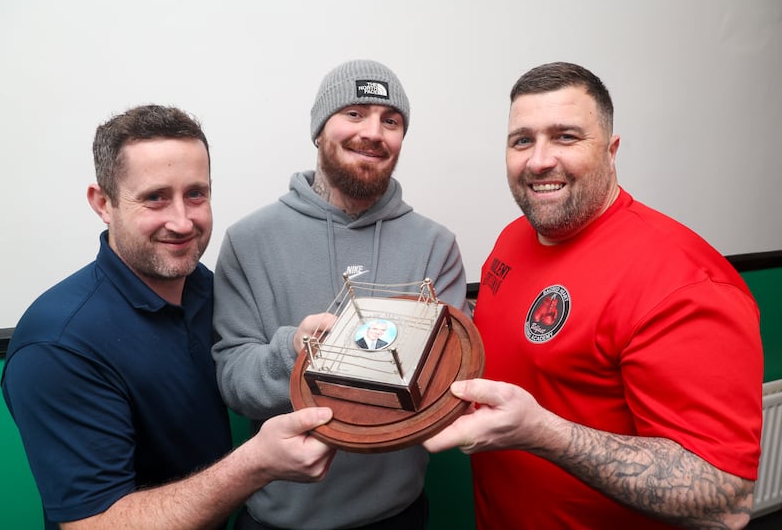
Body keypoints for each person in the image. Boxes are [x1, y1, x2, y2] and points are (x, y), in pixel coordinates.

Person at [423, 62, 763, 529]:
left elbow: (725, 501)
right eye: (522, 140)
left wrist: (544, 434)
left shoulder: (684, 281)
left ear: (611, 149)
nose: (539, 160)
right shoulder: (514, 237)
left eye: (565, 137)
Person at [1, 105, 336, 530]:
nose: (182, 221)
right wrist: (255, 464)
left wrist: (292, 347)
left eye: (196, 194)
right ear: (103, 203)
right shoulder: (56, 343)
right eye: (155, 197)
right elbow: (94, 524)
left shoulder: (208, 288)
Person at [212, 59, 469, 529]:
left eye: (390, 121)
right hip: (279, 519)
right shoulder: (248, 241)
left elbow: (443, 380)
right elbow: (234, 380)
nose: (373, 132)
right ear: (318, 129)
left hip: (398, 514)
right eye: (354, 113)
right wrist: (296, 351)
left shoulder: (436, 245)